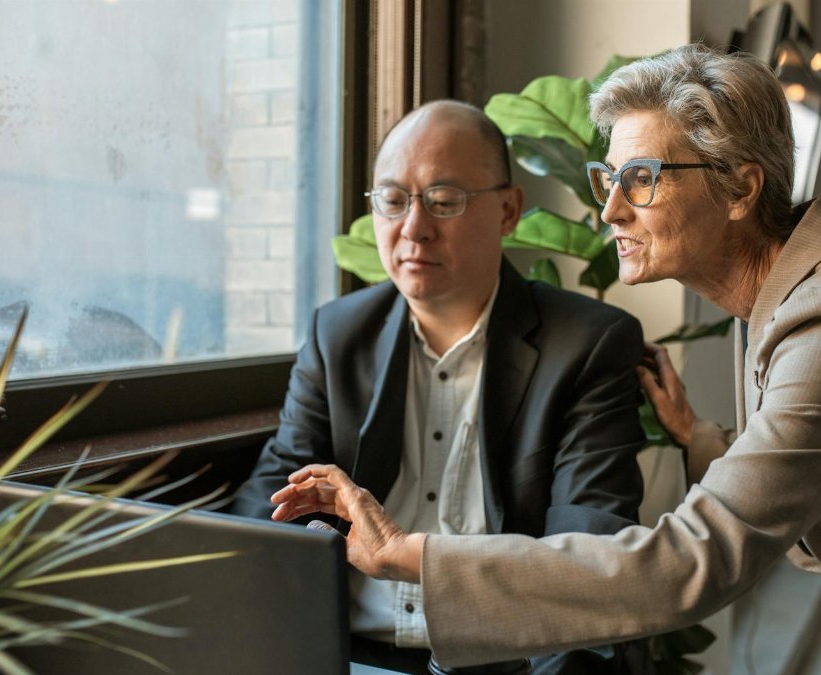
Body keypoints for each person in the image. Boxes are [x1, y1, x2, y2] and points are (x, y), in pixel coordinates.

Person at [270, 45, 821, 674]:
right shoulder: (789, 293)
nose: (611, 208)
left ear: (740, 188)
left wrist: (411, 555)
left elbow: (690, 562)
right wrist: (703, 439)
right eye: (608, 179)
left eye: (642, 179)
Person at [232, 100, 651, 674]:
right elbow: (271, 503)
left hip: (509, 663)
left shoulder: (586, 344)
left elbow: (590, 557)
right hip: (347, 654)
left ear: (508, 211)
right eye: (392, 200)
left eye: (444, 200)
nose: (413, 228)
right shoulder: (338, 335)